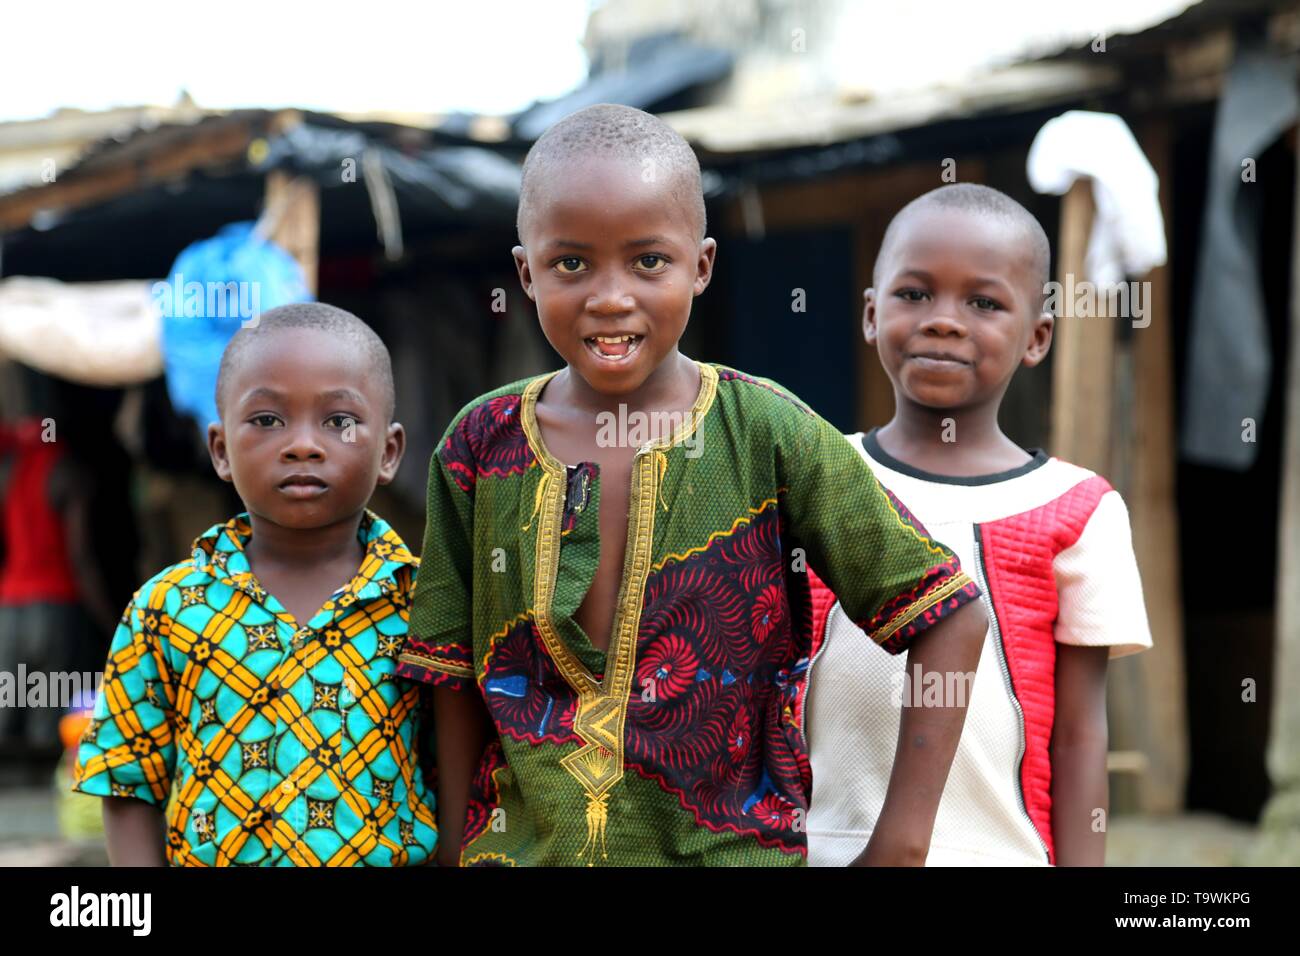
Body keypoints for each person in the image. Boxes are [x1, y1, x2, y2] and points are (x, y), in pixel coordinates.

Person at [396, 104, 988, 867]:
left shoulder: (767, 432)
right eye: (571, 265)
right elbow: (449, 668)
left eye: (648, 262)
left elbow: (949, 618)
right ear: (526, 273)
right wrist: (454, 845)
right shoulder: (480, 446)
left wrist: (900, 846)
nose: (611, 297)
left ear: (702, 266)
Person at [805, 183, 1153, 867]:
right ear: (871, 315)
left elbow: (1082, 734)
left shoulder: (1078, 508)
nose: (944, 320)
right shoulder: (815, 472)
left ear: (1037, 337)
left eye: (985, 303)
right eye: (914, 294)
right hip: (812, 849)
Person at [73, 303, 438, 866]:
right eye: (267, 420)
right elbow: (129, 783)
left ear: (388, 452)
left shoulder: (424, 602)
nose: (302, 445)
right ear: (220, 450)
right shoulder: (164, 609)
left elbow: (458, 770)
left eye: (339, 420)